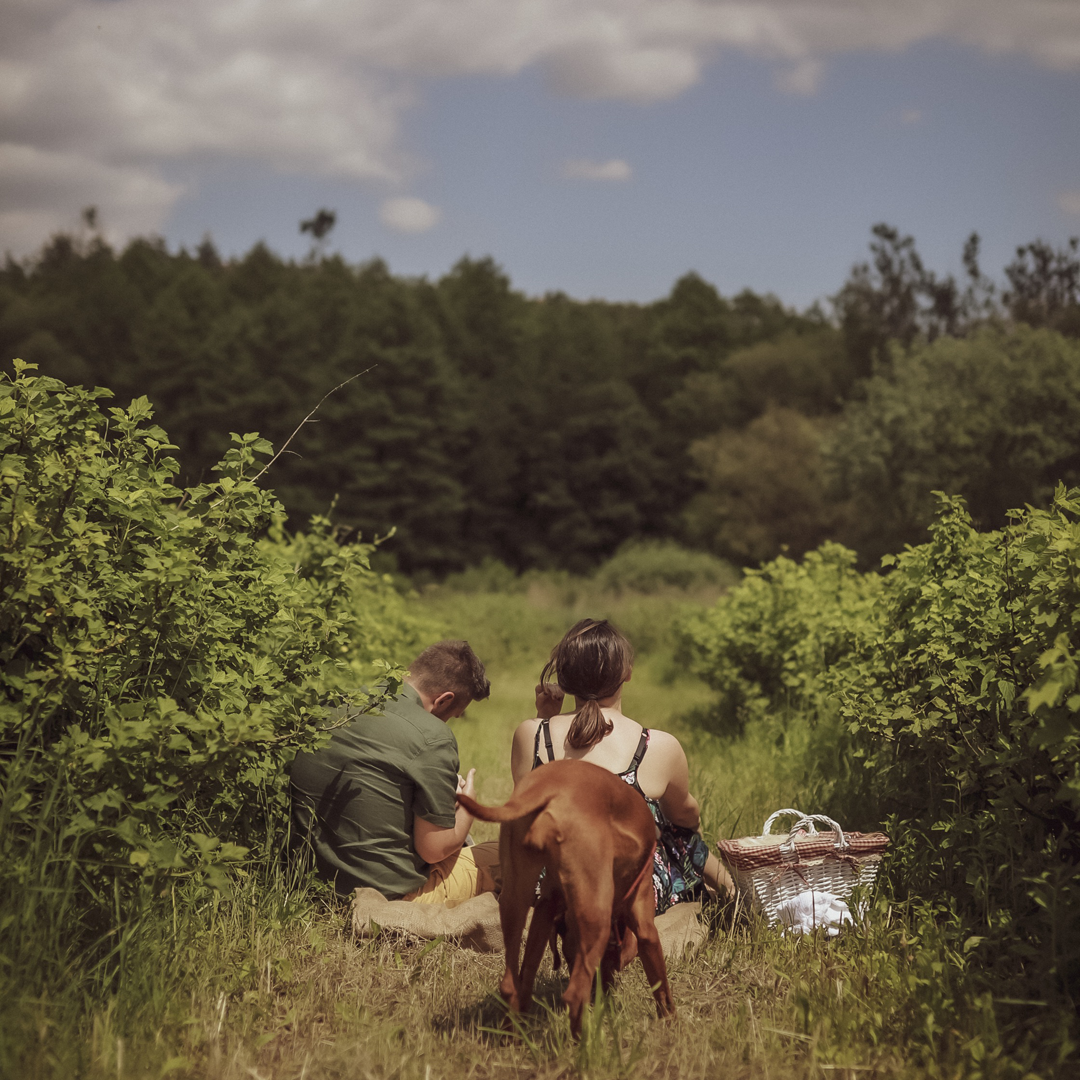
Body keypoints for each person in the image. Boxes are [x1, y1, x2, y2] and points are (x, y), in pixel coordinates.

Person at [510, 618, 733, 914]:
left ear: (564, 678)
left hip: (554, 887)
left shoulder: (532, 734)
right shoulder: (657, 745)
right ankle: (734, 893)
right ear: (627, 673)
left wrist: (544, 717)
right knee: (673, 829)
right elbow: (686, 816)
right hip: (628, 894)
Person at [291, 639, 499, 904]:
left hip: (308, 882)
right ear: (444, 700)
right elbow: (434, 850)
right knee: (509, 855)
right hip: (388, 893)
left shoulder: (334, 705)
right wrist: (468, 805)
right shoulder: (433, 736)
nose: (448, 723)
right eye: (452, 715)